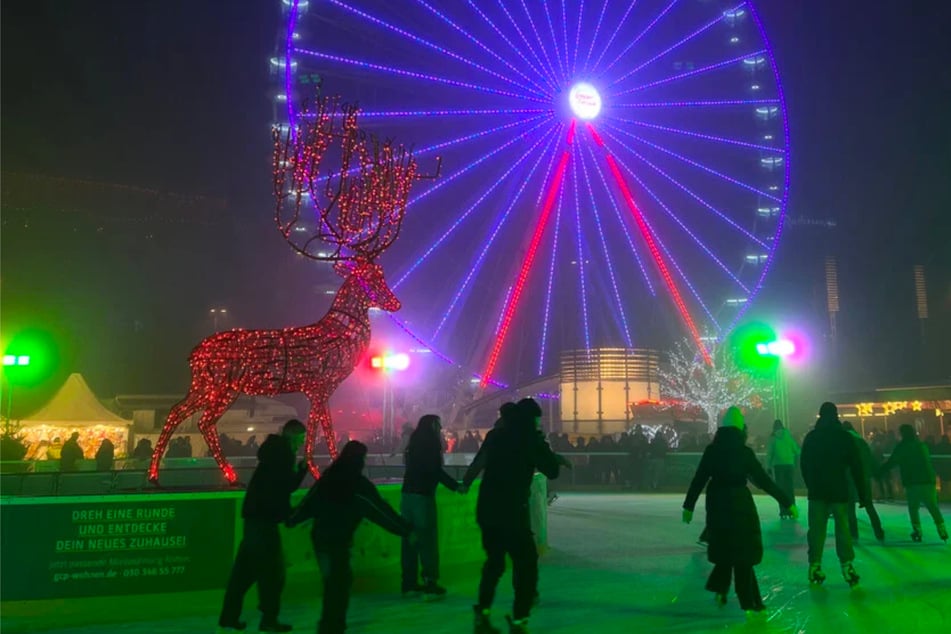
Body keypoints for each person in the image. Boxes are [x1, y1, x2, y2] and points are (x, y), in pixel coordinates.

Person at [462, 398, 570, 634]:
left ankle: (483, 613)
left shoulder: (497, 436)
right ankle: (520, 619)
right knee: (526, 562)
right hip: (511, 511)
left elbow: (480, 461)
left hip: (488, 509)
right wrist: (547, 449)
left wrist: (465, 483)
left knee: (495, 563)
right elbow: (551, 471)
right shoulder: (531, 438)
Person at [288, 441, 412, 634]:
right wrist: (405, 530)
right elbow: (380, 511)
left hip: (321, 539)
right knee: (338, 586)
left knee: (334, 585)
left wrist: (293, 518)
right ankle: (332, 628)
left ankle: (330, 627)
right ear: (359, 460)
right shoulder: (358, 486)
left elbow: (310, 501)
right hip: (336, 543)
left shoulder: (329, 477)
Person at [682, 407, 796, 614]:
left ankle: (723, 590)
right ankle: (748, 601)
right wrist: (787, 501)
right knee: (742, 554)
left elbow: (699, 479)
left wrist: (688, 506)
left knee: (726, 550)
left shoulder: (712, 450)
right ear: (740, 429)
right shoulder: (744, 453)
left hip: (717, 502)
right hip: (740, 503)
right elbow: (763, 481)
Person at [218, 419, 308, 633]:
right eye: (301, 440)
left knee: (244, 574)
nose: (301, 445)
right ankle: (268, 618)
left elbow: (275, 486)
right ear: (293, 436)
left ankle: (229, 617)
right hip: (265, 523)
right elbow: (283, 488)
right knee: (272, 574)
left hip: (255, 520)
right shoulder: (284, 455)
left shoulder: (272, 453)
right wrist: (302, 472)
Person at [800, 402, 868, 587]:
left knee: (816, 530)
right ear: (836, 415)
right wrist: (863, 493)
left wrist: (811, 484)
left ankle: (814, 564)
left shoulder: (812, 437)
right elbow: (856, 466)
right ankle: (847, 565)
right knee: (843, 529)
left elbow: (804, 464)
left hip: (817, 492)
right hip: (839, 490)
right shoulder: (844, 437)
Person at [400, 414, 463, 599]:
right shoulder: (431, 444)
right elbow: (435, 471)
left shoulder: (414, 444)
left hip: (407, 495)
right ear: (433, 426)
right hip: (423, 497)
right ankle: (430, 581)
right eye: (439, 425)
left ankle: (409, 582)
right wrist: (455, 486)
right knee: (427, 539)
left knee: (410, 538)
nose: (440, 429)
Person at [879, 424, 947, 542]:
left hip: (913, 481)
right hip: (928, 480)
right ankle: (941, 528)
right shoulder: (921, 445)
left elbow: (892, 461)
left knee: (913, 507)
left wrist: (879, 471)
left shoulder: (902, 447)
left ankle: (917, 530)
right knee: (932, 506)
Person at [841, 421, 885, 542]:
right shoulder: (861, 441)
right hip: (863, 476)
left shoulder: (843, 441)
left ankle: (853, 533)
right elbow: (870, 458)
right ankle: (878, 531)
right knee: (869, 505)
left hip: (849, 477)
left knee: (850, 507)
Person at [765, 419, 800, 518]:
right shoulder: (788, 437)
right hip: (789, 465)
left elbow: (769, 454)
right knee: (789, 488)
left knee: (781, 490)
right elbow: (796, 450)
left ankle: (783, 511)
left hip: (778, 466)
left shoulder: (773, 438)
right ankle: (792, 510)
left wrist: (768, 466)